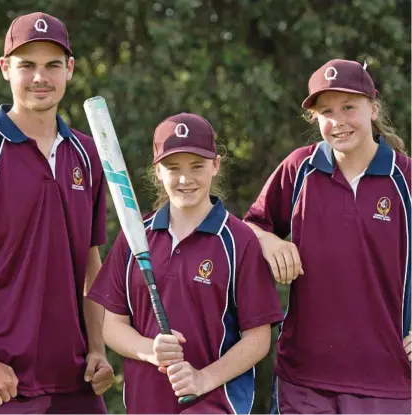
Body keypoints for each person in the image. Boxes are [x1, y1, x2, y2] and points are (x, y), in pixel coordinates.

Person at [0, 12, 113, 414]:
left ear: (70, 70)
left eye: (52, 65)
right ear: (6, 69)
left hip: (72, 382)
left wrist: (97, 349)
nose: (41, 77)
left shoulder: (89, 155)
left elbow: (91, 263)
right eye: (27, 66)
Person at [244, 59, 411, 414]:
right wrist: (270, 241)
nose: (338, 121)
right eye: (326, 111)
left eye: (349, 107)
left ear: (373, 107)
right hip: (303, 380)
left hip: (392, 382)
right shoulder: (299, 168)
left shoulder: (406, 178)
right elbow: (249, 229)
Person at [87, 113, 284, 414]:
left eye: (197, 166)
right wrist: (150, 350)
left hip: (215, 405)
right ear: (158, 170)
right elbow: (112, 326)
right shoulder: (135, 236)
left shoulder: (239, 240)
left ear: (215, 165)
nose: (185, 179)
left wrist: (203, 378)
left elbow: (257, 340)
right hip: (145, 406)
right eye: (173, 168)